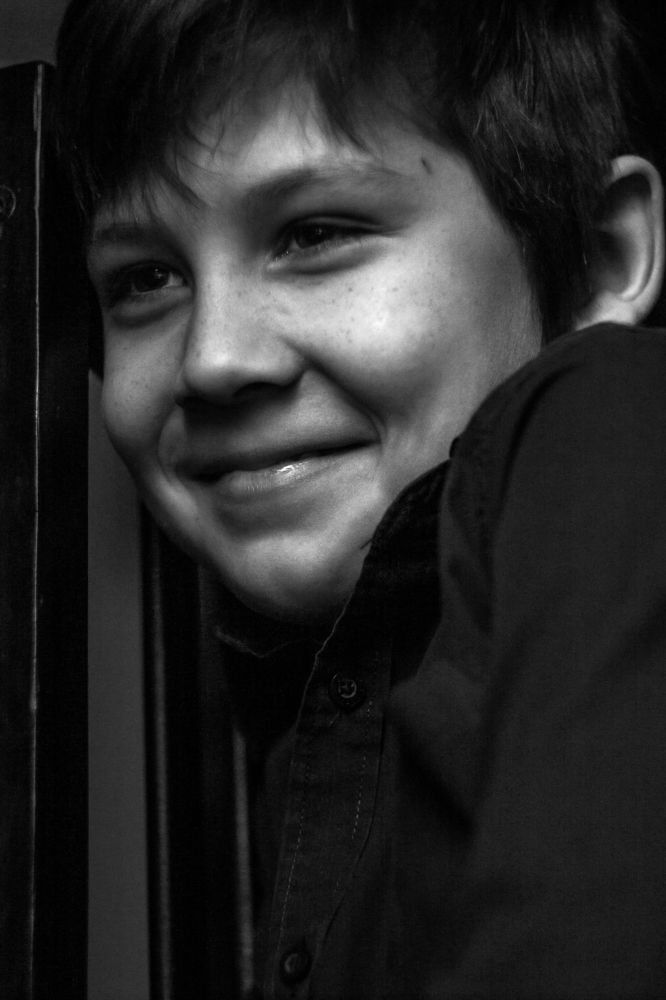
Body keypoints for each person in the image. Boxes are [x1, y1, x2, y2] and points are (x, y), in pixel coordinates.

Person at [54, 1, 666, 996]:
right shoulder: (327, 745)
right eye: (146, 278)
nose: (213, 359)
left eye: (316, 234)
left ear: (602, 254)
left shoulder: (612, 414)